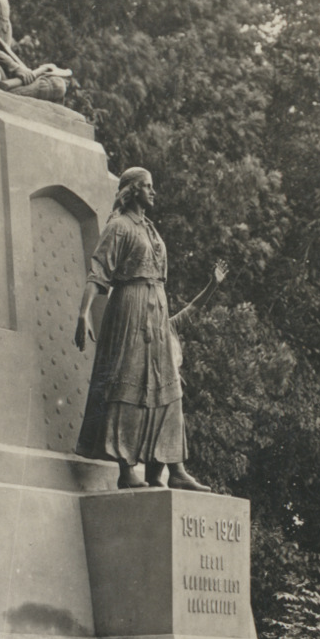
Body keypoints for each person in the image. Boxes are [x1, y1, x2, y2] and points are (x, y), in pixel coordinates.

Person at [73, 167, 221, 492]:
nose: (153, 192)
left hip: (157, 309)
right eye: (148, 187)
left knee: (169, 388)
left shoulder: (151, 229)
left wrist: (211, 285)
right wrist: (83, 314)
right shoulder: (119, 226)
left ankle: (172, 469)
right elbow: (98, 271)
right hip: (130, 308)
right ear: (134, 189)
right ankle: (127, 471)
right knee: (127, 383)